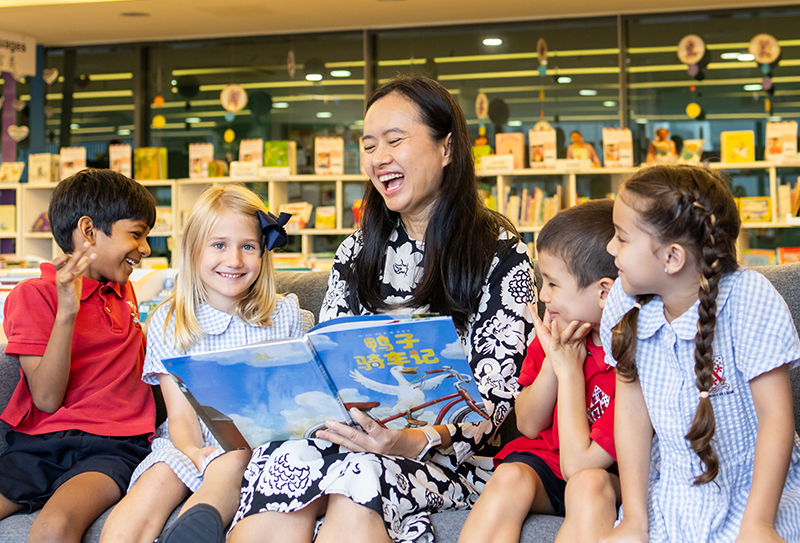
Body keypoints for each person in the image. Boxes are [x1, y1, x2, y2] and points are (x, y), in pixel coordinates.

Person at [224, 74, 535, 543]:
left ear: (446, 148)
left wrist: (409, 440)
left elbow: (496, 399)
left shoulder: (500, 252)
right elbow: (324, 361)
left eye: (395, 140)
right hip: (352, 438)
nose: (379, 158)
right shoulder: (356, 250)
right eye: (369, 145)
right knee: (282, 460)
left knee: (361, 478)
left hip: (450, 457)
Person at [99, 184, 313, 543]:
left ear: (264, 252)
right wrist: (195, 453)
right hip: (190, 441)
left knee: (232, 465)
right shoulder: (173, 321)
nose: (234, 260)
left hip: (260, 445)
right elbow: (180, 416)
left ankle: (200, 521)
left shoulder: (285, 315)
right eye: (219, 245)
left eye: (248, 247)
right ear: (193, 251)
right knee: (155, 483)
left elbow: (292, 403)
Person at [600, 164, 800, 543]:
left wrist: (759, 523)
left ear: (672, 258)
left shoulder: (749, 298)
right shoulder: (622, 302)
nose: (610, 248)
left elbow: (776, 419)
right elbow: (631, 415)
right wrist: (635, 519)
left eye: (622, 238)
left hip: (757, 493)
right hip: (671, 492)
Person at [0, 169, 156, 543]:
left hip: (114, 446)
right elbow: (47, 398)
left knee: (54, 527)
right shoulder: (34, 295)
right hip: (39, 444)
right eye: (136, 234)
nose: (146, 248)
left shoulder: (125, 293)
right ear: (88, 232)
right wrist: (67, 311)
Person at [459, 200, 620, 543]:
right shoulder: (553, 334)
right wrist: (553, 363)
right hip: (549, 460)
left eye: (552, 283)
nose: (542, 295)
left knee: (587, 485)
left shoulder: (629, 357)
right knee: (509, 478)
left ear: (603, 291)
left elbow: (583, 467)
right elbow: (529, 424)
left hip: (609, 472)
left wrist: (571, 372)